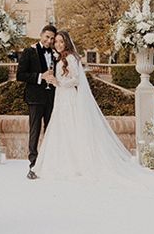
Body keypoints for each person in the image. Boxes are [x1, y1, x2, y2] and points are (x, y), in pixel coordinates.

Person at [33, 30, 136, 180]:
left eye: (61, 42)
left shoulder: (70, 58)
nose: (58, 44)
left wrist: (57, 82)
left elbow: (76, 80)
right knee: (62, 128)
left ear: (67, 42)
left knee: (70, 126)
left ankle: (76, 163)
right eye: (56, 42)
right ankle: (61, 161)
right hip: (61, 96)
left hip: (68, 97)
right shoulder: (61, 58)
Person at [16, 24, 58, 180]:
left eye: (52, 38)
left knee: (50, 130)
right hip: (34, 98)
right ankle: (33, 164)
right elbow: (20, 75)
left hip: (52, 97)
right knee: (35, 130)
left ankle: (49, 162)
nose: (49, 40)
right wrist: (41, 77)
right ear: (41, 35)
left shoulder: (55, 54)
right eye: (47, 37)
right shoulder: (29, 51)